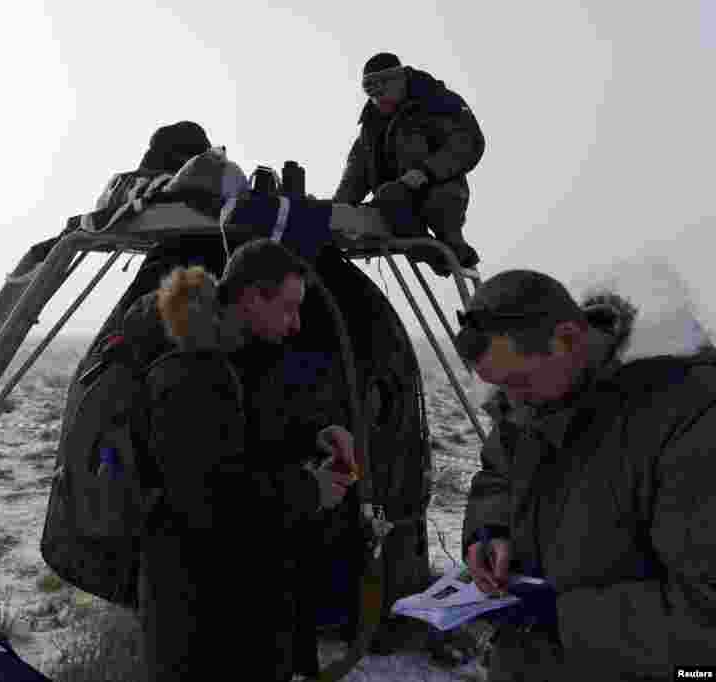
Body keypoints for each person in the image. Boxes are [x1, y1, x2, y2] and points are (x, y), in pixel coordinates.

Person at [457, 269, 716, 680]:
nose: (509, 401)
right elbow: (498, 474)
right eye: (498, 386)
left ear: (569, 338)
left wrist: (556, 614)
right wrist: (489, 530)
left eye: (518, 382)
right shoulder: (525, 398)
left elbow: (705, 615)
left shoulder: (691, 415)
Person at [126, 238, 358, 682]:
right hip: (204, 624)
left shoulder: (238, 361)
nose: (296, 324)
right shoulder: (189, 375)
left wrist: (318, 437)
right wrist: (310, 490)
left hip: (247, 610)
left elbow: (251, 438)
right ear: (252, 298)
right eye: (289, 308)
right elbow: (207, 497)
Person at [333, 52, 485, 276]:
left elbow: (467, 142)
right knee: (388, 199)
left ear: (399, 81)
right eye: (370, 92)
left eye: (381, 88)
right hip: (395, 200)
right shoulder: (371, 126)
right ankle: (431, 252)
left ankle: (454, 247)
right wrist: (337, 208)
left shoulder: (436, 102)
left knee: (438, 204)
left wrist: (426, 172)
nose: (377, 98)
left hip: (439, 188)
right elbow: (357, 173)